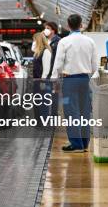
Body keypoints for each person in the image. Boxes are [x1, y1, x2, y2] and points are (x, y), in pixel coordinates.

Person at [51, 14, 99, 152]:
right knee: (85, 112)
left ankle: (76, 144)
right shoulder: (90, 41)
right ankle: (84, 144)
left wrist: (55, 80)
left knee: (71, 112)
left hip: (69, 81)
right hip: (85, 80)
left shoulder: (64, 42)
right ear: (81, 24)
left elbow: (58, 63)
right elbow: (95, 65)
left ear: (68, 25)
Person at [31, 32, 52, 122]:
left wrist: (43, 82)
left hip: (42, 81)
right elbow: (33, 49)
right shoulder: (37, 52)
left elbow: (46, 69)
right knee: (37, 102)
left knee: (43, 103)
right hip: (37, 81)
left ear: (38, 41)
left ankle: (44, 122)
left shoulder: (46, 52)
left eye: (34, 40)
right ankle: (38, 121)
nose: (33, 42)